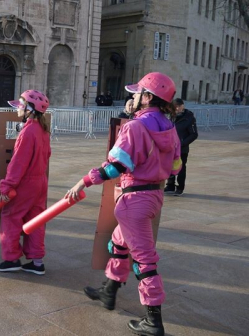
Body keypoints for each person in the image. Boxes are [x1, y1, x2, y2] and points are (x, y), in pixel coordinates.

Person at [65, 72, 182, 336]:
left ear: (148, 97)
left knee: (144, 261)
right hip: (153, 197)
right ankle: (109, 291)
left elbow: (116, 166)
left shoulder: (135, 127)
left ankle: (153, 320)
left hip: (134, 200)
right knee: (118, 243)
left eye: (137, 93)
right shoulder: (169, 127)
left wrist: (83, 181)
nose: (133, 97)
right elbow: (176, 167)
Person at [0, 90, 51, 275]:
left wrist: (7, 185)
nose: (18, 108)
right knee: (35, 221)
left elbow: (18, 162)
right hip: (40, 180)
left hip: (26, 182)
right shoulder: (42, 130)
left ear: (29, 108)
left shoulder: (28, 131)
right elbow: (47, 155)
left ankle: (11, 259)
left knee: (11, 216)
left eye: (20, 105)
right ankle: (37, 262)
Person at [165, 98, 198, 196]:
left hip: (182, 148)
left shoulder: (189, 117)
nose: (177, 109)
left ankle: (180, 187)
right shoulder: (171, 116)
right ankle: (170, 185)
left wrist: (182, 143)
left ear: (183, 106)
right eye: (175, 107)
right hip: (170, 147)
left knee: (181, 167)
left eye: (179, 106)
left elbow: (194, 134)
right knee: (169, 166)